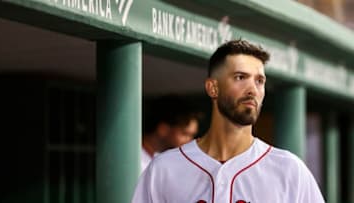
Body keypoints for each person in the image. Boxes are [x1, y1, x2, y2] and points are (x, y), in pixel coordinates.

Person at [132, 39, 325, 202]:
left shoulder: (289, 170)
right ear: (212, 88)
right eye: (240, 77)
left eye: (259, 81)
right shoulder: (164, 169)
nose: (252, 90)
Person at [141, 94, 201, 172]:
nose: (190, 141)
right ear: (163, 129)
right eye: (185, 134)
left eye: (192, 135)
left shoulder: (161, 160)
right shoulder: (130, 158)